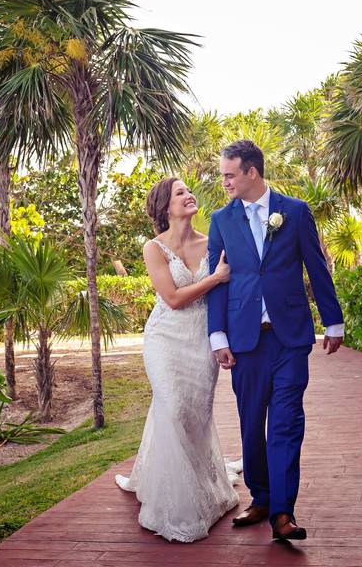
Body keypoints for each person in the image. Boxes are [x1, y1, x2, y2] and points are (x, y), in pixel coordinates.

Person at [207, 139, 344, 542]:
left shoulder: (296, 212)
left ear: (252, 172)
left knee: (285, 424)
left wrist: (332, 322)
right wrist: (218, 335)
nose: (225, 182)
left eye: (230, 174)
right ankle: (262, 497)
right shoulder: (221, 219)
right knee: (251, 425)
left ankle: (283, 512)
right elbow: (219, 284)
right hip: (245, 341)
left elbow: (317, 268)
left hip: (289, 339)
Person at [115, 177, 240, 542]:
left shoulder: (213, 242)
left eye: (188, 190)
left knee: (194, 412)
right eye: (179, 193)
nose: (189, 195)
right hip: (165, 337)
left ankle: (199, 482)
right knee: (172, 407)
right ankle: (179, 507)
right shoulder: (153, 248)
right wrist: (215, 278)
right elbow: (171, 297)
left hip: (202, 340)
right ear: (164, 207)